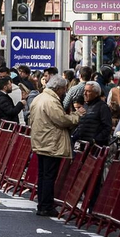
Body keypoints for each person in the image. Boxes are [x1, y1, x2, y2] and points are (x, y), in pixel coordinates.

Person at [29, 74, 78, 218]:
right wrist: (77, 117)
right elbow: (61, 120)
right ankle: (46, 205)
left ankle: (42, 204)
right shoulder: (51, 101)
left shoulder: (39, 98)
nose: (64, 91)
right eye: (63, 89)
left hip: (41, 141)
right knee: (49, 175)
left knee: (43, 175)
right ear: (58, 88)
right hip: (51, 142)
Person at [71, 81, 114, 147]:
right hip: (83, 145)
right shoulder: (85, 105)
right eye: (84, 90)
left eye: (88, 91)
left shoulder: (103, 107)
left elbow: (107, 127)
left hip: (95, 148)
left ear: (96, 94)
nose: (85, 93)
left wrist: (95, 140)